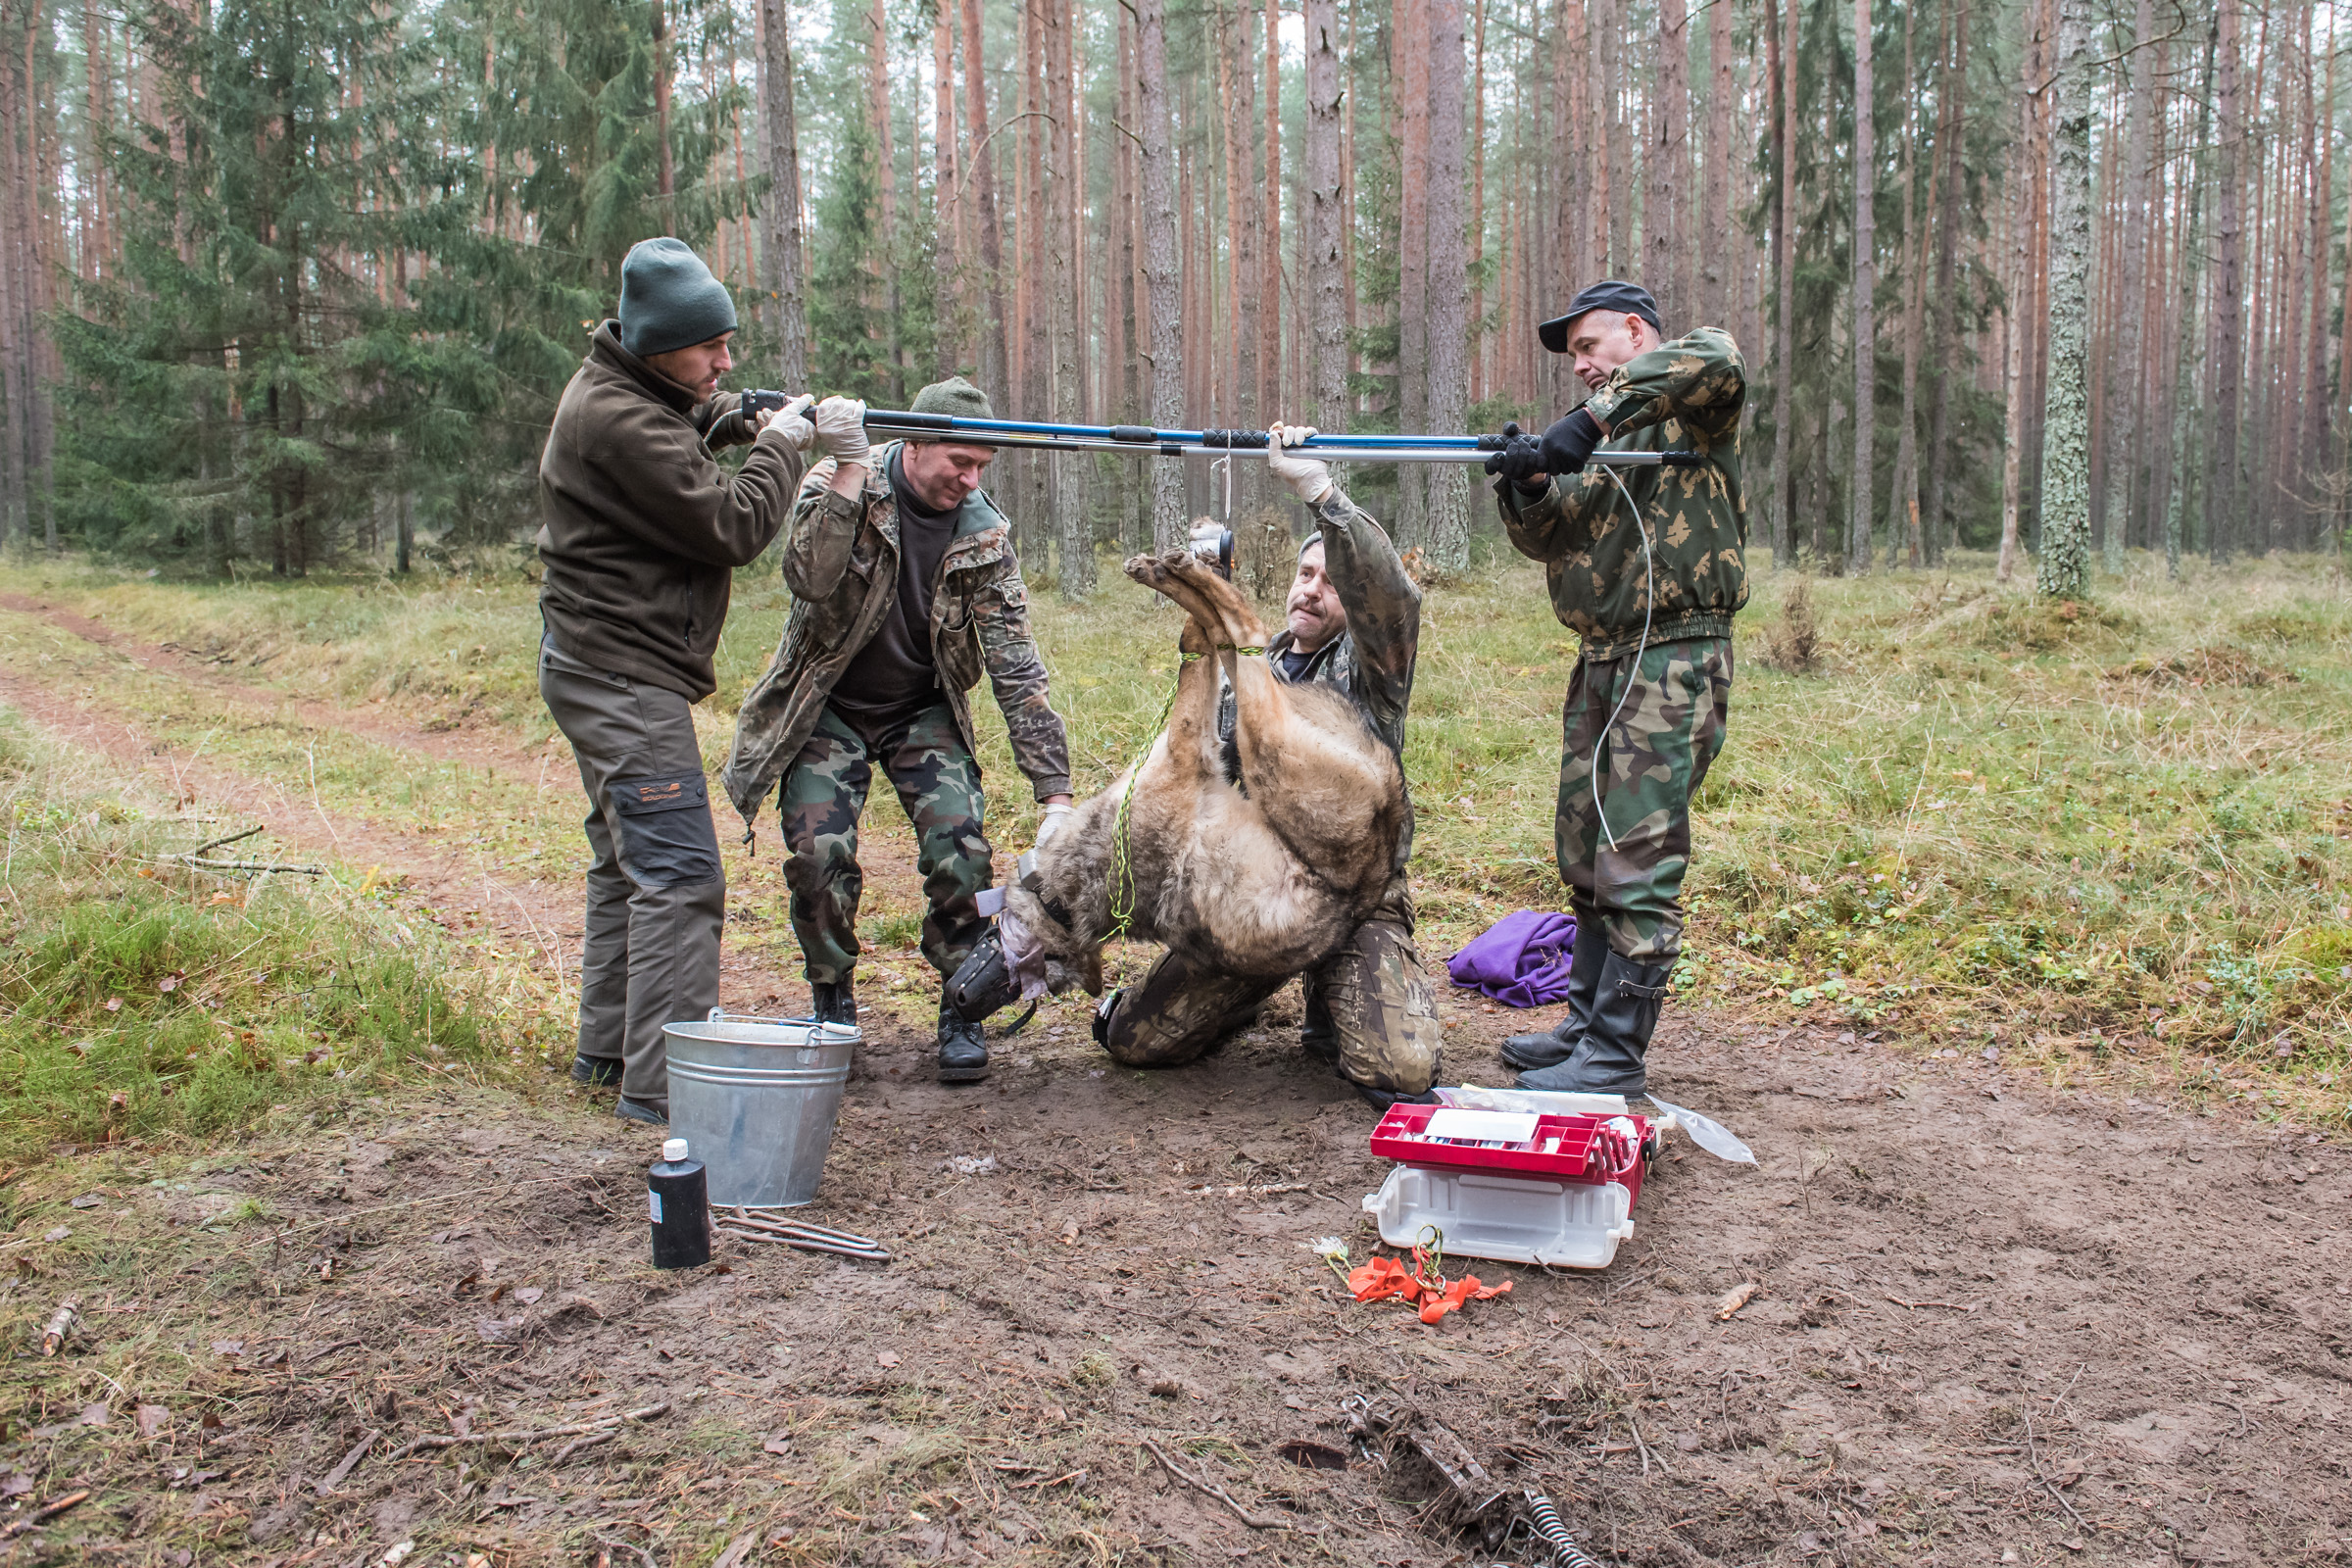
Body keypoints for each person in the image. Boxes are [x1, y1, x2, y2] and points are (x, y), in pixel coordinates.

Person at [721, 377, 1074, 1085]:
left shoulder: (984, 533)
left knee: (963, 853)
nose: (970, 481)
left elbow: (1016, 665)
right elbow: (808, 579)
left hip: (922, 707)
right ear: (914, 444)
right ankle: (832, 1000)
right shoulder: (841, 475)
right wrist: (849, 472)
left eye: (982, 468)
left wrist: (1055, 794)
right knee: (818, 857)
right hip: (830, 703)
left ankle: (961, 1004)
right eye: (959, 464)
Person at [537, 236, 815, 1126]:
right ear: (659, 341)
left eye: (728, 345)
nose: (724, 361)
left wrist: (731, 417)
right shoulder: (617, 418)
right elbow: (730, 524)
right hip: (621, 676)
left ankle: (608, 1054)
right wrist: (786, 446)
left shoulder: (629, 391)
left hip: (598, 663)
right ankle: (665, 1093)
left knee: (627, 864)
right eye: (710, 349)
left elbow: (680, 429)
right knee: (681, 874)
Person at [1089, 426, 1444, 1109]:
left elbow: (1392, 602)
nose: (1313, 591)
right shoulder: (1248, 669)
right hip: (1255, 906)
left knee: (1400, 1072)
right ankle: (1243, 998)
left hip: (1354, 899)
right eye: (1306, 575)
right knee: (1136, 1042)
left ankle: (1339, 992)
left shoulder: (1370, 674)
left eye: (1333, 584)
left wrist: (1322, 497)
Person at [1484, 278, 1747, 1098]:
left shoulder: (1688, 402)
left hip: (1671, 657)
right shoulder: (1597, 440)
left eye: (1589, 348)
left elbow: (1718, 355)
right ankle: (1586, 1027)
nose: (1580, 369)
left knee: (1635, 857)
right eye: (1572, 362)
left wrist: (1589, 422)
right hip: (1602, 658)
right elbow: (1551, 535)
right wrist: (1529, 483)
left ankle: (1616, 1059)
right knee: (1588, 851)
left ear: (1635, 332)